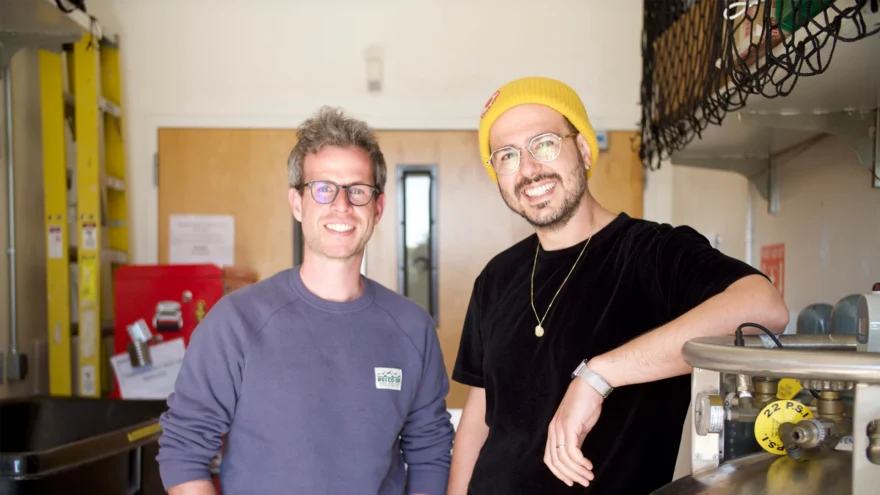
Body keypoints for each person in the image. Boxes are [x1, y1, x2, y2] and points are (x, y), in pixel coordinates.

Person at [446, 77, 790, 495]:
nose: (529, 169)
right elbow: (480, 415)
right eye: (507, 156)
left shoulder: (653, 252)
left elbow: (765, 309)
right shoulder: (496, 277)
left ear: (583, 149)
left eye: (545, 144)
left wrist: (597, 376)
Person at [156, 106, 455, 495]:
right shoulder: (236, 321)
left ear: (378, 208)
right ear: (297, 203)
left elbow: (430, 453)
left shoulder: (412, 327)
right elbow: (183, 451)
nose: (342, 205)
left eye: (357, 190)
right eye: (323, 188)